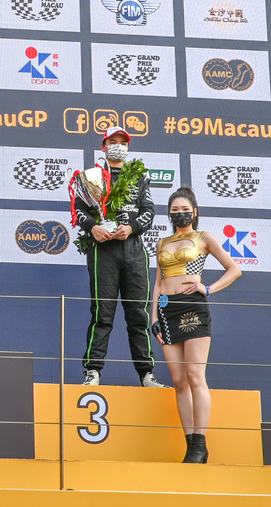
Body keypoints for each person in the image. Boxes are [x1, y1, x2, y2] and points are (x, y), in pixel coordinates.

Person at [150, 187, 242, 463]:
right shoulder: (162, 242)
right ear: (169, 214)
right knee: (179, 382)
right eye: (174, 210)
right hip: (166, 311)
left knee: (194, 376)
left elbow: (235, 269)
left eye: (184, 209)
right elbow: (158, 283)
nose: (179, 214)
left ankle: (200, 444)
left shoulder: (204, 238)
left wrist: (208, 288)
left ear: (195, 211)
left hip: (193, 308)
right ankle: (191, 445)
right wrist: (153, 317)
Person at [77, 125, 165, 388]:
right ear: (103, 146)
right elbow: (78, 210)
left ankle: (147, 374)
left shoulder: (139, 177)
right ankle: (92, 372)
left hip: (134, 252)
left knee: (138, 316)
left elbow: (149, 211)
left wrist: (132, 227)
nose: (118, 146)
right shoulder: (91, 176)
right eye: (113, 142)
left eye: (123, 142)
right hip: (103, 252)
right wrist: (93, 228)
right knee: (102, 315)